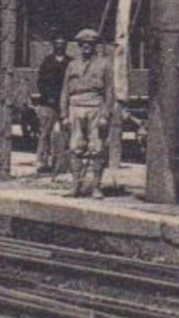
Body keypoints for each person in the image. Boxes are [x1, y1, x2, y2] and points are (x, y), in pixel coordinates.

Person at [61, 27, 116, 199]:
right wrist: (63, 115)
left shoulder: (104, 64)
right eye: (83, 44)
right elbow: (65, 91)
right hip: (75, 107)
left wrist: (105, 115)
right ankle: (76, 186)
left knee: (97, 148)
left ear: (95, 46)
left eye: (90, 44)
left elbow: (109, 91)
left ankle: (96, 187)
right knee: (75, 147)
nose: (86, 46)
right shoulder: (72, 64)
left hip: (95, 107)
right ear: (79, 45)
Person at [32, 35, 71, 176]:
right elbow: (41, 81)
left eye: (62, 44)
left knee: (66, 132)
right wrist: (48, 96)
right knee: (44, 133)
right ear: (54, 46)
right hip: (48, 102)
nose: (59, 47)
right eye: (57, 44)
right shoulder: (47, 61)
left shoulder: (70, 62)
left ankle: (63, 163)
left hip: (65, 102)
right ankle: (43, 162)